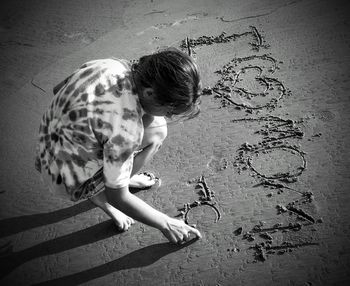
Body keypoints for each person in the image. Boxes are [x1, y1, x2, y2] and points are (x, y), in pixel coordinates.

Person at [35, 47, 202, 244]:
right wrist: (166, 223)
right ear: (149, 92)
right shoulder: (126, 131)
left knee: (152, 126)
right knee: (158, 132)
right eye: (171, 109)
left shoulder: (109, 65)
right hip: (67, 181)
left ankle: (117, 173)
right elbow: (118, 197)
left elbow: (57, 89)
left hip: (47, 148)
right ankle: (99, 195)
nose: (169, 115)